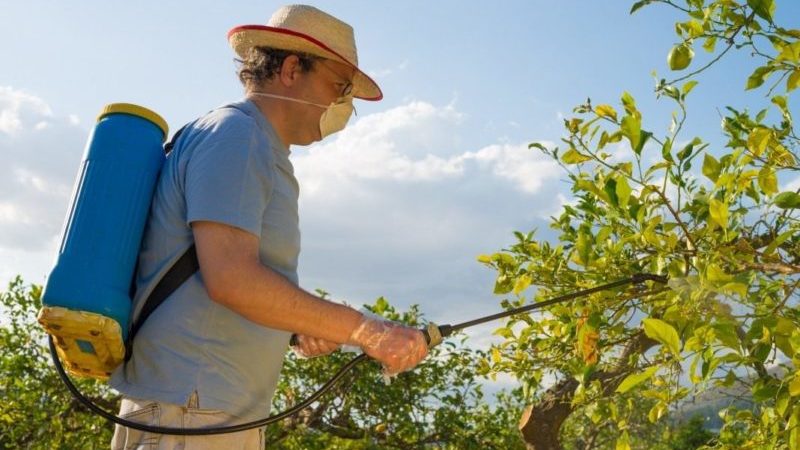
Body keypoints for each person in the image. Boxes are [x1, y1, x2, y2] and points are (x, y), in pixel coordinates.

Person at [109, 5, 429, 449]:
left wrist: (296, 327)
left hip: (207, 412)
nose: (342, 105)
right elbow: (231, 278)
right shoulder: (238, 137)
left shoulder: (249, 142)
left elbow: (222, 278)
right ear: (293, 68)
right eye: (339, 87)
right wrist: (366, 330)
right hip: (191, 414)